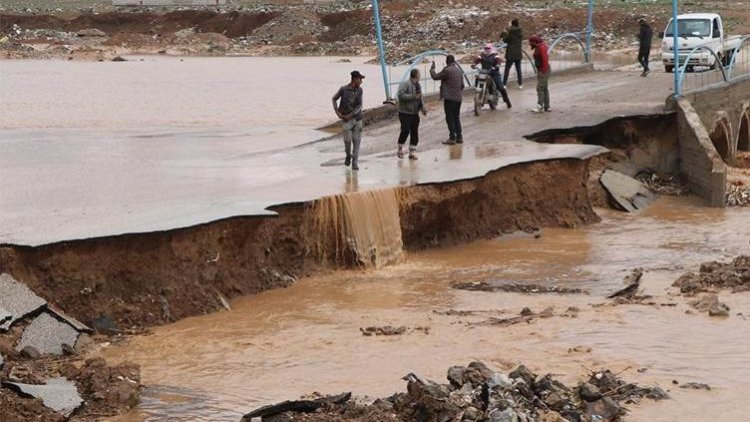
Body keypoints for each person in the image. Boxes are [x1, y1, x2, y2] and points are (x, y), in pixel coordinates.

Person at [332, 71, 364, 170]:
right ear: (354, 79)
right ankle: (348, 156)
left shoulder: (360, 90)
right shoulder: (343, 89)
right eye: (360, 79)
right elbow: (334, 99)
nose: (361, 81)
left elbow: (360, 105)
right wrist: (337, 112)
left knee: (357, 141)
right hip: (346, 119)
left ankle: (355, 162)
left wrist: (352, 114)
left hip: (357, 119)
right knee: (347, 141)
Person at [430, 55, 465, 145]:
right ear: (454, 61)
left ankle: (452, 138)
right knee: (456, 117)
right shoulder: (459, 71)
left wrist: (432, 69)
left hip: (450, 99)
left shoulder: (447, 70)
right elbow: (462, 85)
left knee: (450, 118)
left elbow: (435, 77)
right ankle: (459, 137)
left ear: (446, 61)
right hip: (458, 98)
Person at [396, 68, 427, 160]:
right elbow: (400, 95)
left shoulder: (418, 85)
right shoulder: (405, 84)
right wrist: (413, 96)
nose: (420, 77)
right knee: (405, 131)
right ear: (416, 75)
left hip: (414, 113)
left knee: (414, 132)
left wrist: (423, 108)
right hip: (405, 112)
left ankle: (412, 152)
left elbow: (420, 97)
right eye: (419, 75)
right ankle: (400, 149)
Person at [473, 43, 512, 109]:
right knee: (478, 80)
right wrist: (474, 64)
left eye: (488, 48)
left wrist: (497, 65)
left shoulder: (495, 55)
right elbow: (478, 60)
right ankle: (480, 97)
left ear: (491, 48)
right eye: (486, 48)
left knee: (500, 87)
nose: (487, 50)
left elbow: (498, 60)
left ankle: (507, 101)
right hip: (484, 72)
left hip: (493, 72)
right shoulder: (482, 55)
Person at [529, 35, 551, 113]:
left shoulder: (541, 47)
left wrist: (543, 70)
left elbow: (545, 59)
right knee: (544, 88)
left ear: (534, 42)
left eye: (531, 42)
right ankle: (547, 106)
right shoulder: (541, 46)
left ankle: (540, 106)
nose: (530, 44)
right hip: (543, 69)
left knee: (540, 88)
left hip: (543, 70)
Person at [501, 19, 524, 89]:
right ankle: (520, 84)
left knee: (507, 69)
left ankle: (504, 84)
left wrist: (504, 33)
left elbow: (506, 40)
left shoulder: (511, 32)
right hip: (518, 53)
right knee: (518, 69)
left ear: (512, 24)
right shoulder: (520, 32)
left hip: (511, 54)